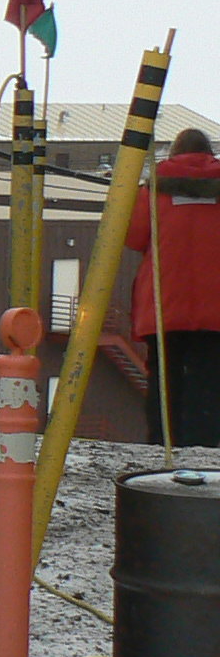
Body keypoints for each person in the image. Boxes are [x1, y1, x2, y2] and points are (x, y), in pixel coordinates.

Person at [130, 125, 220, 447]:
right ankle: (208, 448)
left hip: (163, 304)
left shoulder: (152, 190)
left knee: (163, 381)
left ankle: (163, 443)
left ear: (174, 154)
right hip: (216, 310)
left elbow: (132, 237)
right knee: (209, 381)